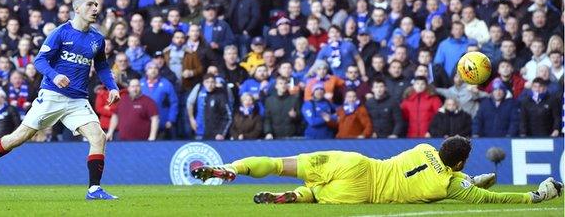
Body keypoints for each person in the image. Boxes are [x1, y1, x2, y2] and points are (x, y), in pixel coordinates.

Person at [0, 0, 121, 200]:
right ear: (77, 8)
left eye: (97, 5)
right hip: (52, 95)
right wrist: (56, 75)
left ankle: (94, 190)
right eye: (90, 4)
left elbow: (102, 66)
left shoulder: (97, 38)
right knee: (17, 138)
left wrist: (112, 87)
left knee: (99, 137)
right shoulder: (61, 33)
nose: (95, 9)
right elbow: (40, 61)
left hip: (77, 100)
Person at [192, 135, 563, 204]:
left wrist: (463, 177)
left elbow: (434, 164)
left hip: (355, 163)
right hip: (360, 194)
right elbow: (488, 200)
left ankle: (230, 167)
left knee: (278, 164)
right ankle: (299, 197)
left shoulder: (422, 147)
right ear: (461, 165)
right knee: (317, 195)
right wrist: (534, 195)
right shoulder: (448, 187)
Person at [140, 62, 179, 140]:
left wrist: (171, 120)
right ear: (146, 71)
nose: (153, 70)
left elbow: (174, 102)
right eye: (150, 68)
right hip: (143, 124)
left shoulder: (166, 84)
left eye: (155, 68)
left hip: (162, 123)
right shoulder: (140, 83)